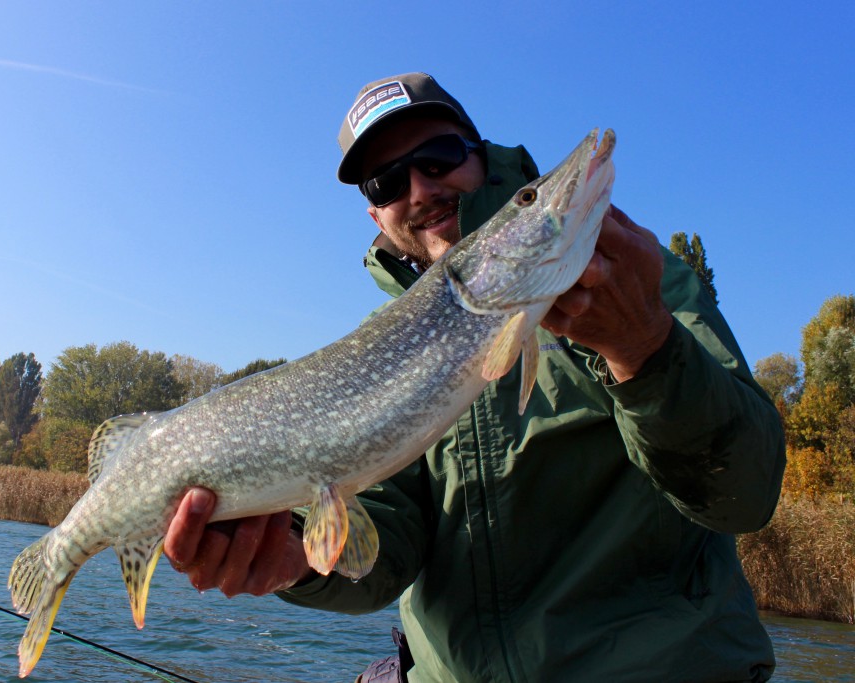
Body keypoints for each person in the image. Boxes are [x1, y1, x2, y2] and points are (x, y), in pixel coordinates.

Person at [163, 72, 786, 682]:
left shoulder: (635, 279)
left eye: (437, 157)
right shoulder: (385, 344)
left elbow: (745, 492)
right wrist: (295, 561)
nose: (419, 190)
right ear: (376, 215)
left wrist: (644, 343)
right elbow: (390, 548)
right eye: (386, 182)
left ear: (480, 156)